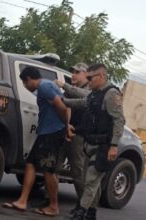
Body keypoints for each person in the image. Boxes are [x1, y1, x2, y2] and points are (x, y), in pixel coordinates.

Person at [3, 66, 70, 217]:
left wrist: (66, 126)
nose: (26, 87)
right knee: (31, 163)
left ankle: (53, 206)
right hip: (45, 131)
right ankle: (22, 201)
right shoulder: (46, 86)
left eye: (25, 84)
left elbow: (62, 106)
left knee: (48, 169)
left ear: (28, 79)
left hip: (52, 132)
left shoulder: (45, 86)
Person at [63, 64, 125, 220]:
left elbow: (119, 121)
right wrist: (63, 101)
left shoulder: (111, 94)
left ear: (102, 76)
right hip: (91, 144)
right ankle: (90, 213)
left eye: (90, 78)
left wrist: (114, 146)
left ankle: (80, 212)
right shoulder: (95, 94)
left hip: (104, 146)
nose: (88, 81)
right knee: (91, 181)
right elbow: (83, 103)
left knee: (90, 180)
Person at [55, 63, 90, 213]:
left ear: (86, 74)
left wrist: (64, 86)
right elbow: (65, 105)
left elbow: (85, 97)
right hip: (66, 130)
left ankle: (84, 206)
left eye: (77, 72)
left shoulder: (90, 89)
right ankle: (50, 199)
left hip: (79, 136)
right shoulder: (72, 89)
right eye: (73, 72)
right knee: (54, 166)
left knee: (77, 172)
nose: (73, 75)